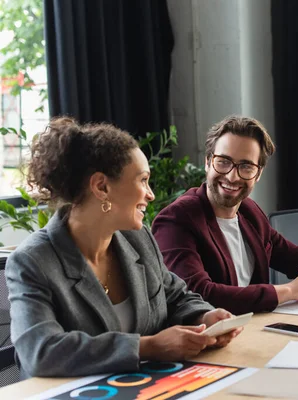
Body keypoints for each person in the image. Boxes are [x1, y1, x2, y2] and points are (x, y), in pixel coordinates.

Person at [6, 118, 241, 379]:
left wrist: (204, 318)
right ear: (101, 187)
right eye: (142, 180)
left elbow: (175, 297)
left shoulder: (138, 238)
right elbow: (40, 351)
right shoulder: (32, 261)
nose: (150, 194)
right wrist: (148, 347)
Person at [152, 116, 298, 315]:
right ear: (207, 162)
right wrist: (290, 290)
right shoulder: (176, 219)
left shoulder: (250, 212)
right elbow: (198, 295)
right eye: (223, 162)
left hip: (254, 330)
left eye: (246, 166)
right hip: (206, 339)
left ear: (258, 174)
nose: (232, 176)